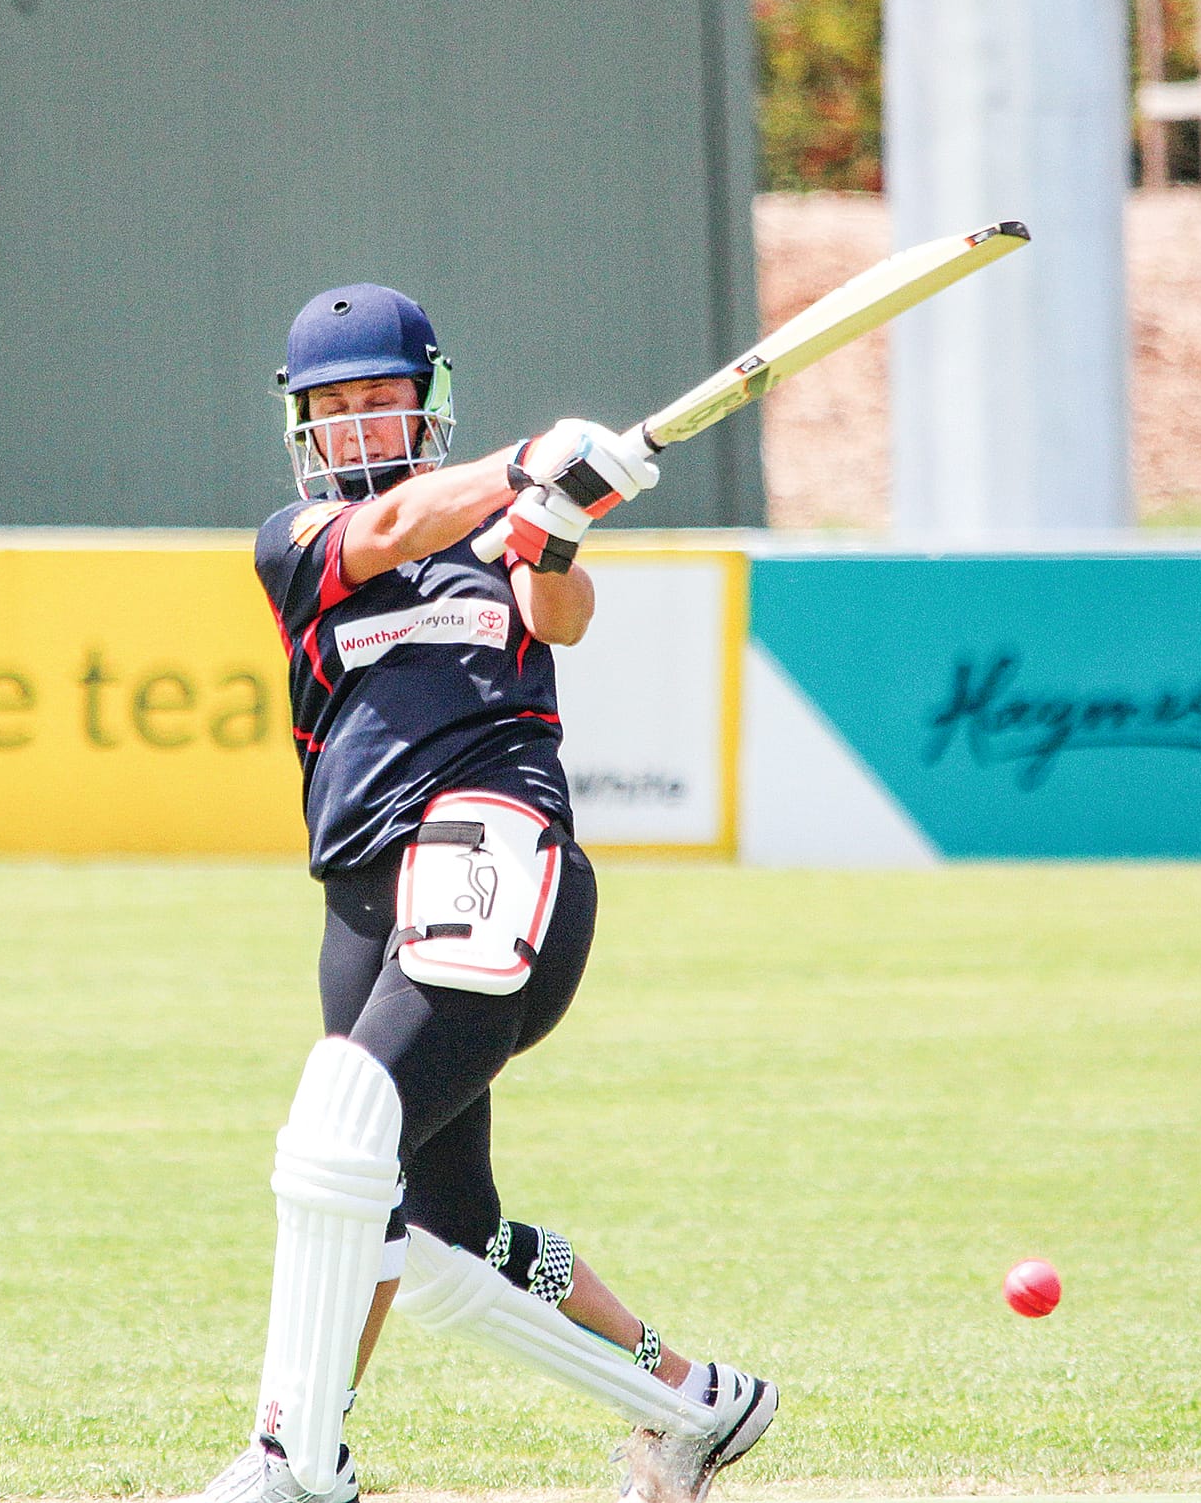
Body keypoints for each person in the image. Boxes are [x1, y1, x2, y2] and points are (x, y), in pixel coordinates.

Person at [194, 283, 776, 1503]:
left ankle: (293, 1459)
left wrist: (556, 522)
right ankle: (694, 1402)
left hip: (493, 851)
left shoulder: (492, 526)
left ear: (428, 401)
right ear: (299, 424)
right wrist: (528, 460)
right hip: (363, 895)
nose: (357, 427)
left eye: (380, 401)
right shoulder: (293, 541)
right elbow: (388, 528)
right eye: (332, 408)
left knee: (339, 1134)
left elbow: (561, 614)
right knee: (450, 1231)